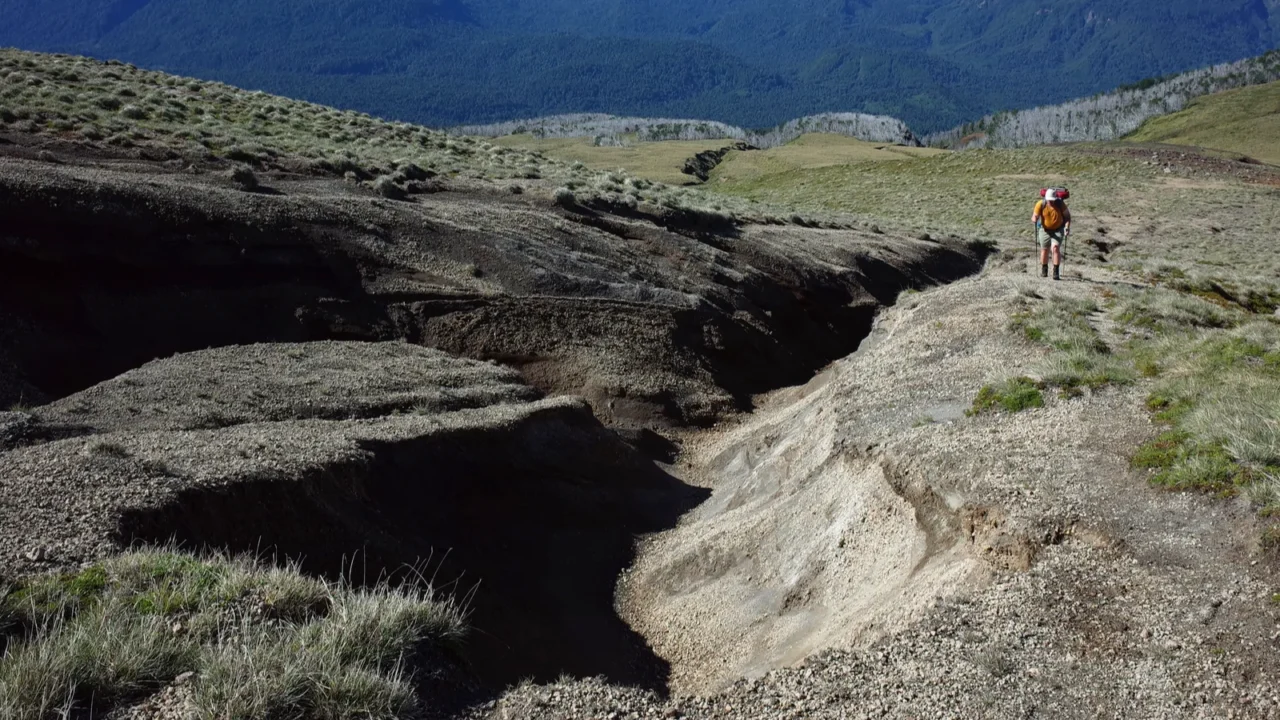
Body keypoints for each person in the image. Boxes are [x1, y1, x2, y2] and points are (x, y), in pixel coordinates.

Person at [1032, 189, 1071, 280]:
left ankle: (1056, 272)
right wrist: (1034, 218)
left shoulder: (1060, 204)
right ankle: (1044, 270)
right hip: (1044, 230)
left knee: (1055, 248)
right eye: (1049, 200)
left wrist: (1067, 228)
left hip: (1058, 230)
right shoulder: (1040, 204)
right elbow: (1034, 216)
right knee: (1044, 250)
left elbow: (1067, 217)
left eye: (1052, 200)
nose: (1051, 202)